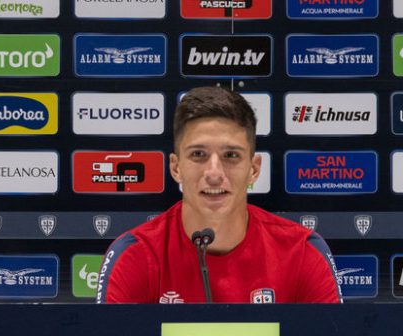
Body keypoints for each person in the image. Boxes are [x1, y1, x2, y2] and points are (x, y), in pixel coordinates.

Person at [97, 86, 341, 304]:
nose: (214, 173)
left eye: (231, 156)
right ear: (176, 167)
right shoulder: (135, 256)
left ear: (254, 169)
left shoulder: (302, 252)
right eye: (198, 155)